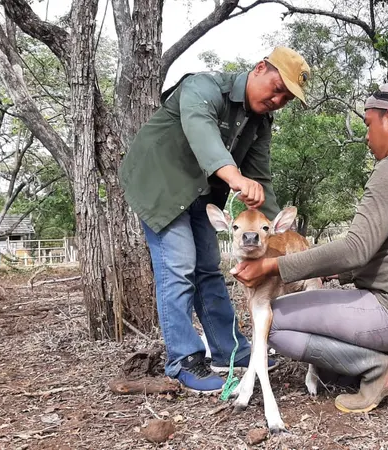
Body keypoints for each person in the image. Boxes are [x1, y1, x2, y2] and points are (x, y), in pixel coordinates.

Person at [231, 81, 388, 413]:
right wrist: (338, 271)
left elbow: (356, 248)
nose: (366, 135)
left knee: (271, 323)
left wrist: (273, 266)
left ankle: (379, 370)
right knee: (332, 368)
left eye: (369, 124)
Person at [119, 47, 311, 393]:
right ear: (259, 68)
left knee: (209, 267)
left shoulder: (261, 123)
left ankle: (229, 349)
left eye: (287, 98)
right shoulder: (203, 87)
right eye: (277, 87)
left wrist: (281, 236)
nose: (278, 100)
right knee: (178, 266)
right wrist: (236, 180)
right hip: (160, 184)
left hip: (201, 193)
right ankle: (183, 360)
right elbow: (202, 133)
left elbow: (262, 180)